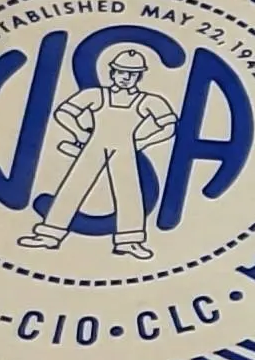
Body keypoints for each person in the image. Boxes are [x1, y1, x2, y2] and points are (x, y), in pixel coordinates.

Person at [16, 44, 174, 260]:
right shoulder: (96, 95)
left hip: (125, 148)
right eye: (121, 72)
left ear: (139, 76)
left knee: (129, 194)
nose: (126, 78)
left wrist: (143, 142)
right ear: (113, 72)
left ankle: (129, 241)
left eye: (132, 74)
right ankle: (49, 235)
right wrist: (80, 134)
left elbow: (169, 126)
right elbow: (64, 112)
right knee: (73, 188)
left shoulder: (149, 101)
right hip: (94, 145)